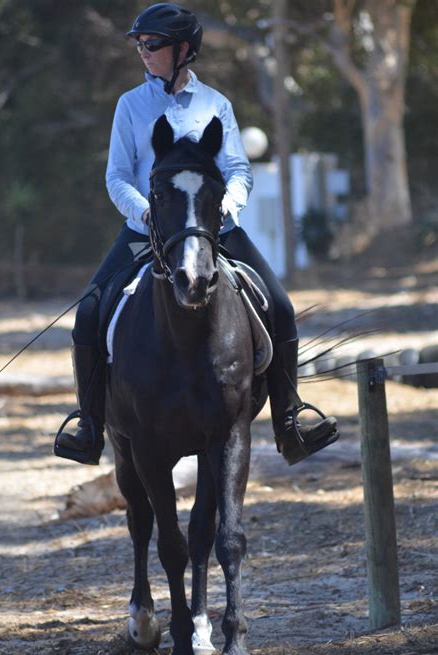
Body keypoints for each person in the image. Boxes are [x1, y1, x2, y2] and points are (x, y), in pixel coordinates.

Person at [54, 3, 338, 467]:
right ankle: (90, 427)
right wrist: (145, 212)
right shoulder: (130, 105)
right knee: (88, 313)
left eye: (153, 45)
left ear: (183, 50)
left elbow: (238, 168)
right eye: (139, 45)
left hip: (214, 229)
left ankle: (290, 421)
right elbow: (118, 176)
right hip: (146, 230)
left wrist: (228, 205)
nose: (143, 52)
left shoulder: (216, 105)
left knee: (281, 306)